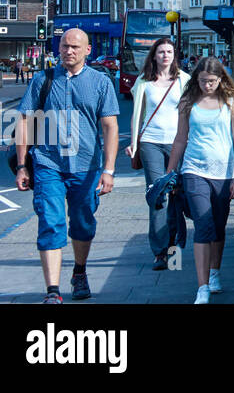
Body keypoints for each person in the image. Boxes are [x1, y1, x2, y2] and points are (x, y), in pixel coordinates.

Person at [14, 28, 119, 304]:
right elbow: (24, 122)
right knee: (51, 222)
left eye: (74, 47)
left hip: (86, 166)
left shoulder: (100, 82)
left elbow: (110, 127)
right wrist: (22, 166)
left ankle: (80, 272)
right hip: (48, 163)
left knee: (83, 223)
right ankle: (53, 291)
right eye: (63, 46)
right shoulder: (42, 80)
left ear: (87, 51)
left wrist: (108, 170)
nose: (68, 51)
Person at [166, 57, 234, 304]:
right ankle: (202, 287)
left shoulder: (230, 104)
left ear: (221, 79)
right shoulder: (188, 102)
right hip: (194, 170)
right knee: (203, 225)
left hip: (223, 173)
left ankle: (214, 273)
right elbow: (180, 139)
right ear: (196, 80)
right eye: (202, 81)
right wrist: (170, 172)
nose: (207, 85)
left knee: (218, 226)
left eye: (211, 81)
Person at [126, 36, 189, 269]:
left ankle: (174, 247)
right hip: (150, 142)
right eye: (161, 52)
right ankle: (160, 251)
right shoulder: (143, 81)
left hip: (177, 144)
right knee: (158, 195)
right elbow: (137, 115)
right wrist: (134, 143)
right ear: (154, 55)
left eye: (169, 52)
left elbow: (191, 113)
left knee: (175, 195)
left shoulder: (184, 80)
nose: (165, 56)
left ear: (174, 56)